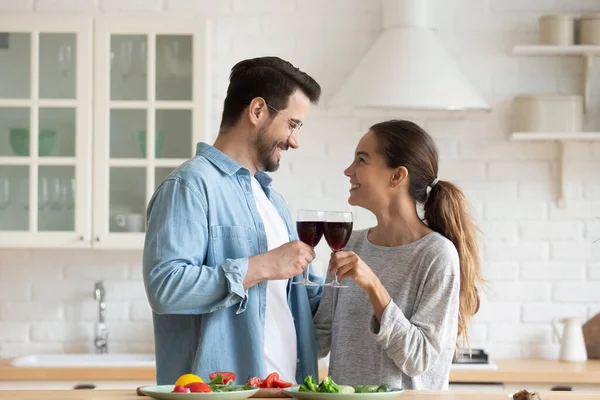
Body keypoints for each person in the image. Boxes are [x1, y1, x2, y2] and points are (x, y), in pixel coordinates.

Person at [143, 57, 323, 385]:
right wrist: (262, 266)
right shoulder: (190, 185)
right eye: (293, 124)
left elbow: (294, 306)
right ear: (257, 110)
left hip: (285, 391)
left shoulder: (273, 200)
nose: (295, 140)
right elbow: (165, 288)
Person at [314, 120, 482, 390]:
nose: (348, 171)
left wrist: (373, 286)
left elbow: (418, 359)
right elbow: (319, 339)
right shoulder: (350, 244)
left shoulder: (436, 255)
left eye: (362, 160)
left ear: (397, 176)